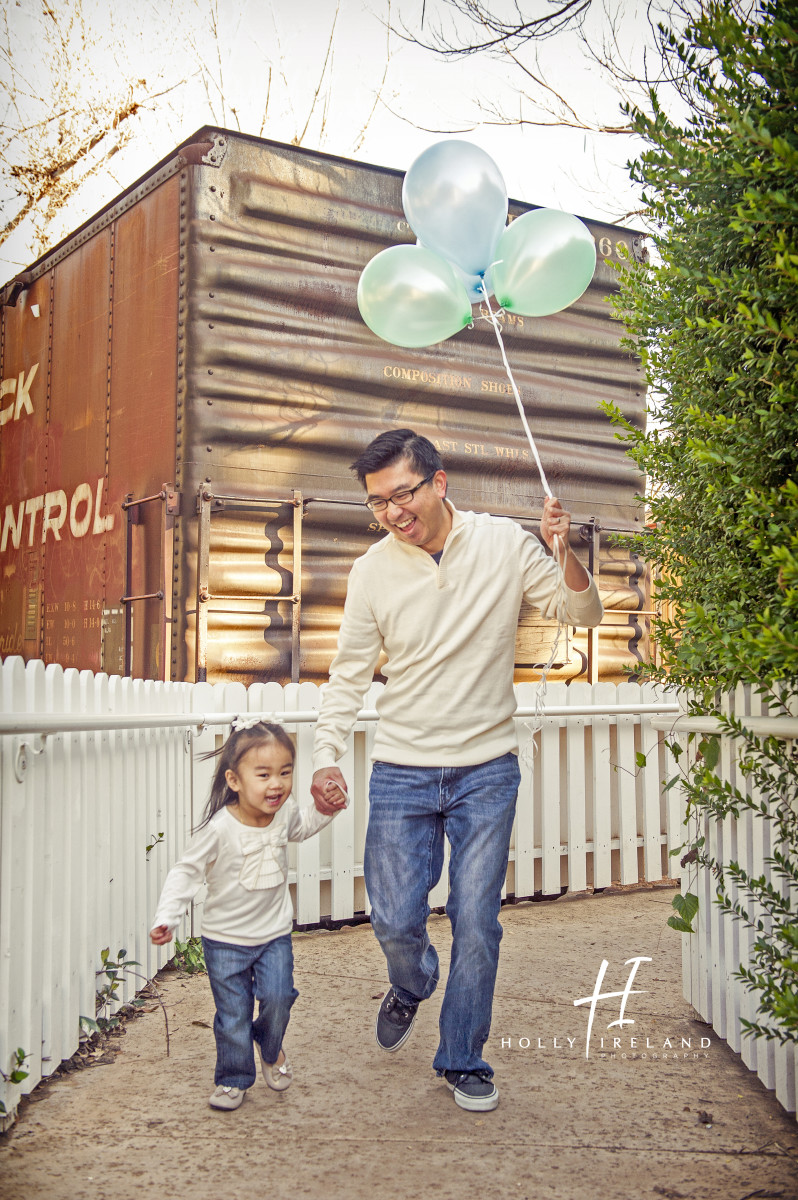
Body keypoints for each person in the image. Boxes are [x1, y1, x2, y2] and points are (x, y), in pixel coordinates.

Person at [310, 428, 603, 1113]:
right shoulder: (372, 571)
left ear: (438, 483)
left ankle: (462, 1056)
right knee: (393, 920)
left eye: (401, 494)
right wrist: (326, 757)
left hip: (486, 770)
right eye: (377, 502)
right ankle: (412, 982)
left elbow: (580, 611)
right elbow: (348, 676)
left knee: (477, 920)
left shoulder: (503, 543)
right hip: (402, 770)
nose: (391, 512)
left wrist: (564, 553)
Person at [150, 718, 344, 1111]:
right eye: (264, 774)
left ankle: (270, 1047)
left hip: (273, 935)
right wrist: (166, 917)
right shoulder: (220, 829)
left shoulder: (283, 813)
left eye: (285, 772)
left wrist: (328, 808)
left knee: (278, 998)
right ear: (235, 781)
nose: (277, 784)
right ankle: (233, 1078)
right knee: (232, 1015)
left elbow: (304, 824)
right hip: (224, 942)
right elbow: (186, 872)